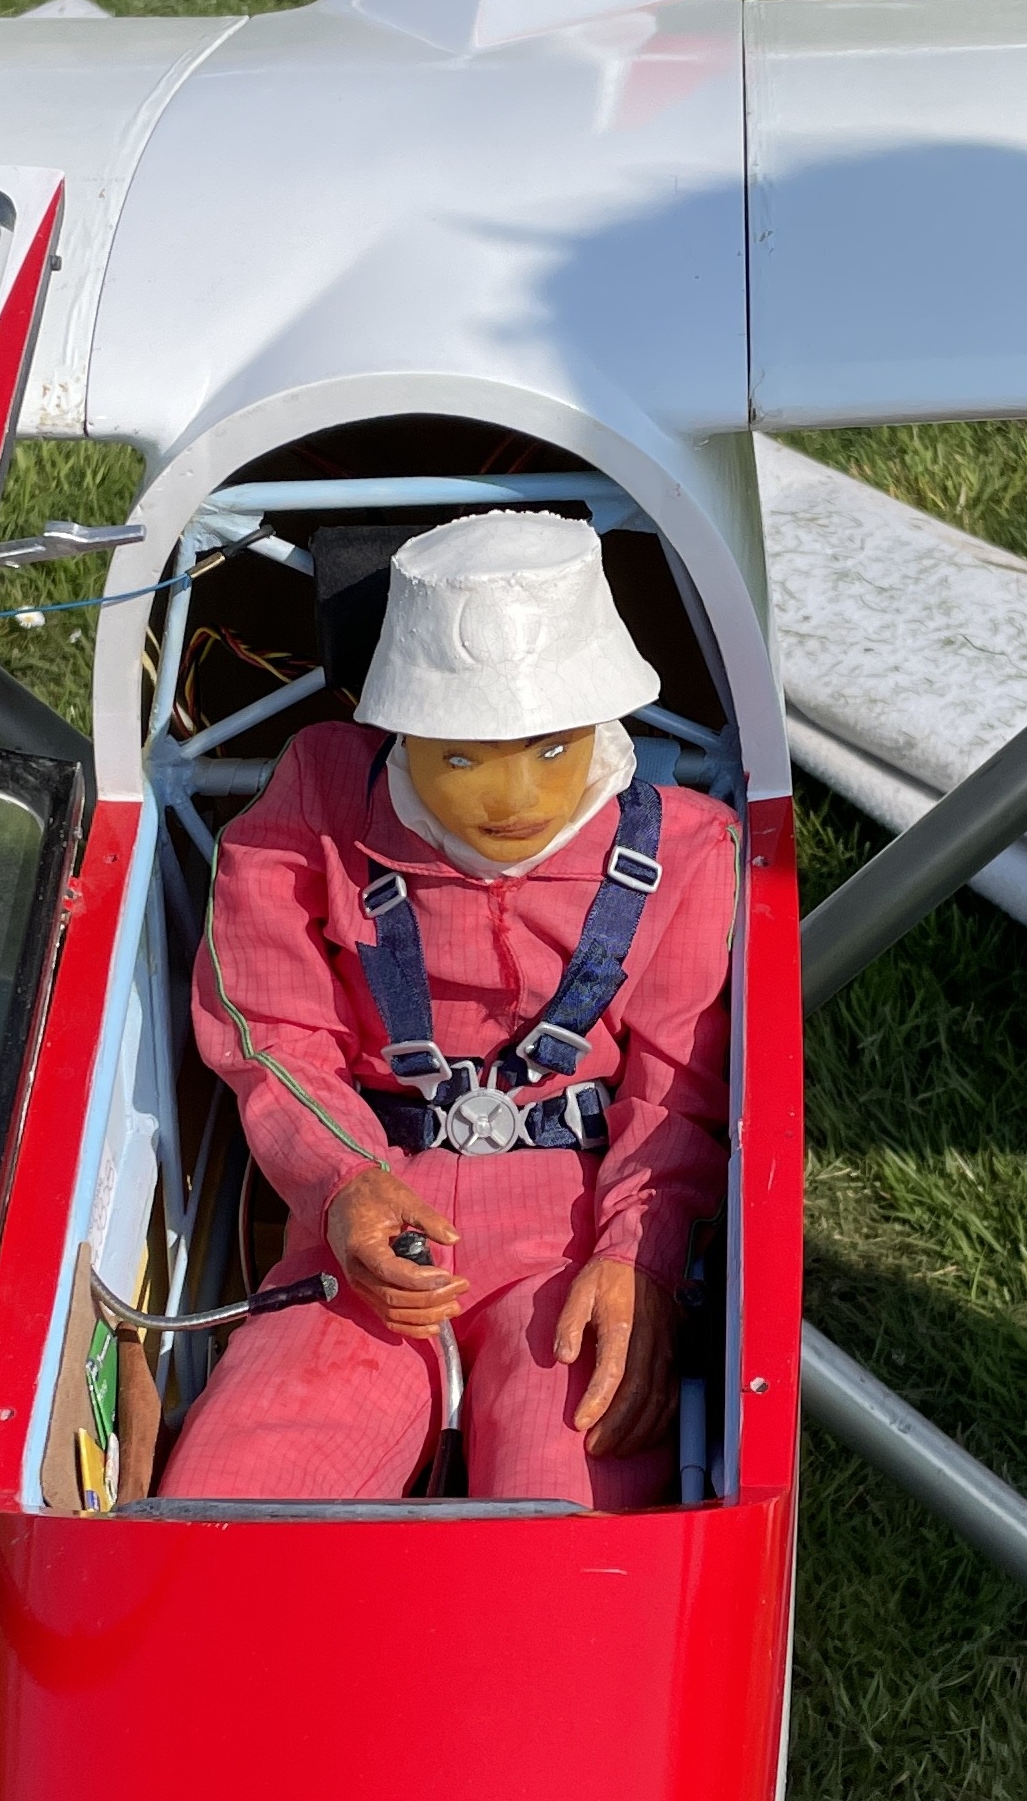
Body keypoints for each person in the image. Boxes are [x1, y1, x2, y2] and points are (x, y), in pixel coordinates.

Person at [155, 510, 738, 1510]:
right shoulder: (317, 811)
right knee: (247, 1485)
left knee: (565, 1503)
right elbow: (267, 1031)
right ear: (401, 731)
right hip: (366, 1218)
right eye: (462, 756)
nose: (513, 799)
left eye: (552, 749)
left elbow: (680, 1091)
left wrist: (639, 1259)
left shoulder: (688, 850)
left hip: (577, 1235)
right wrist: (342, 1182)